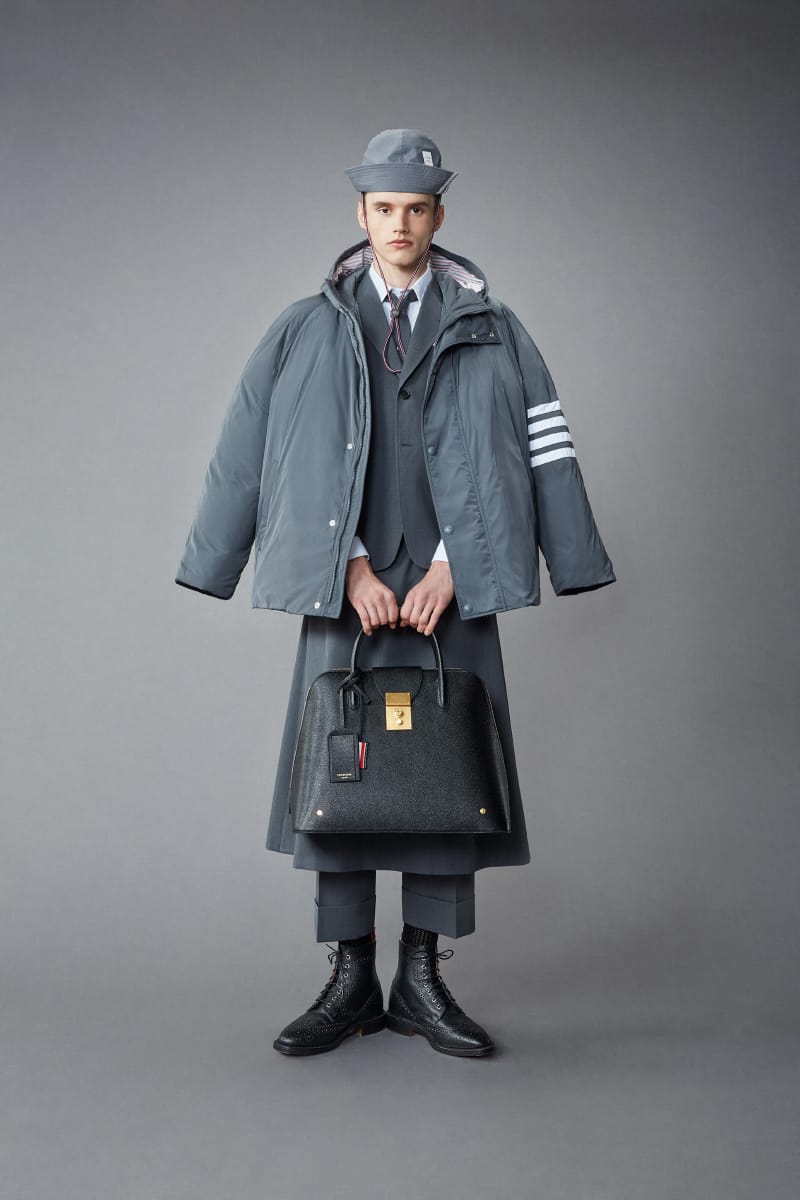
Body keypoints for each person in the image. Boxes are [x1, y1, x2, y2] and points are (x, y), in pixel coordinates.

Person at [175, 129, 616, 1058]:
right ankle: (349, 981)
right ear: (362, 214)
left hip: (457, 580)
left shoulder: (495, 328)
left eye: (417, 209)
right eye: (385, 209)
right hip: (346, 582)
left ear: (438, 216)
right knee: (339, 773)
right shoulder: (303, 328)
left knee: (448, 777)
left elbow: (542, 444)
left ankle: (421, 979)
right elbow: (249, 451)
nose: (401, 224)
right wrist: (344, 565)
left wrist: (463, 562)